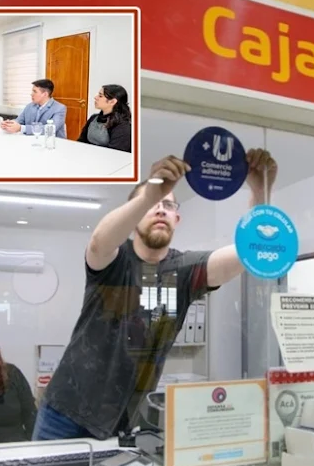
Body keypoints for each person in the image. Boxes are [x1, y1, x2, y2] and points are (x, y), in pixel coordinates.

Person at [32, 149, 277, 441]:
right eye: (151, 205)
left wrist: (261, 193)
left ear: (177, 219)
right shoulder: (114, 260)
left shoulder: (184, 270)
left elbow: (248, 252)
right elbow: (98, 243)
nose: (160, 209)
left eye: (168, 205)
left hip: (122, 420)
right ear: (135, 216)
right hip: (63, 413)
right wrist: (150, 192)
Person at [1, 79, 67, 139]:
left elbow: (49, 129)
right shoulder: (29, 106)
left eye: (35, 91)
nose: (31, 94)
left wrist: (21, 128)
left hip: (53, 143)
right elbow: (19, 120)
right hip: (31, 141)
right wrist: (9, 124)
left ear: (45, 94)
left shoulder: (59, 108)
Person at [77, 84, 131, 152]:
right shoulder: (93, 118)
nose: (95, 97)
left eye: (100, 96)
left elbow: (115, 154)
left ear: (112, 101)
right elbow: (81, 141)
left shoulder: (123, 126)